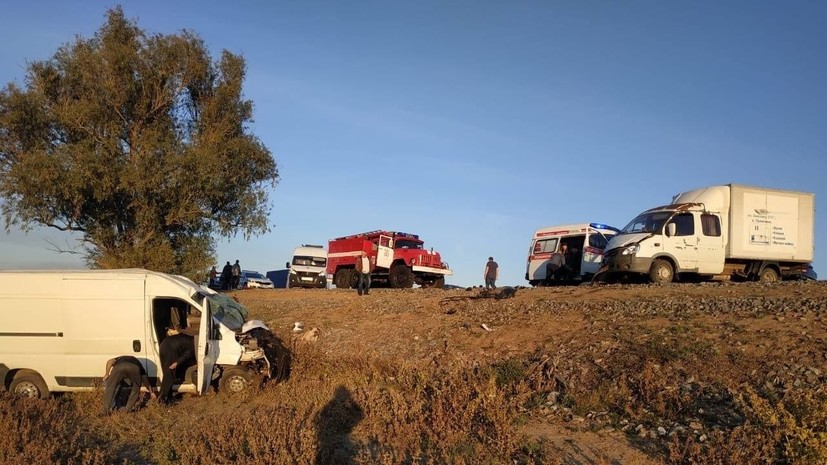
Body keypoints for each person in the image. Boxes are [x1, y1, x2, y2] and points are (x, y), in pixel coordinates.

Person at [158, 333, 195, 404]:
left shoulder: (190, 338)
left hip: (164, 344)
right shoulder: (194, 345)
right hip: (170, 349)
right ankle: (161, 399)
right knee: (169, 375)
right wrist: (177, 363)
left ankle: (168, 397)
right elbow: (186, 355)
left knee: (167, 373)